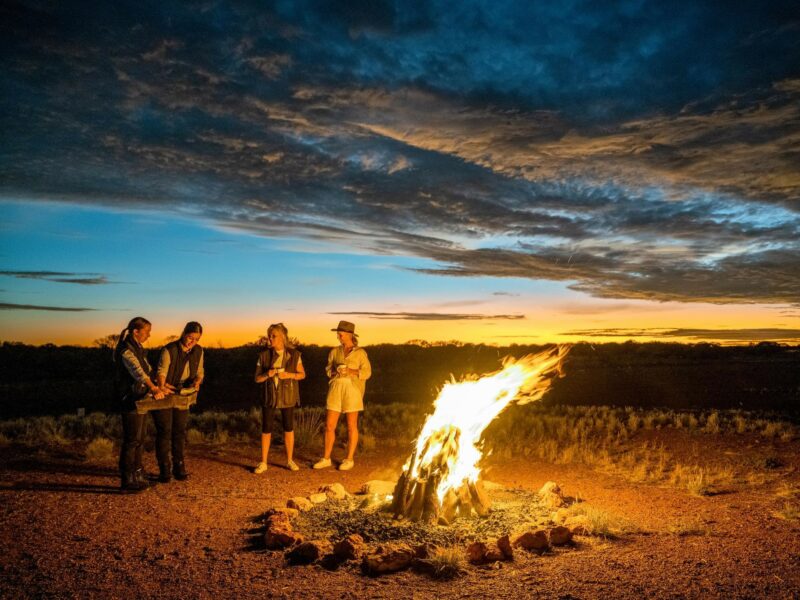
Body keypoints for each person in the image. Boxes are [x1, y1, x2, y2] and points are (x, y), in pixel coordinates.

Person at [113, 316, 166, 492]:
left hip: (140, 398)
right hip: (130, 399)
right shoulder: (125, 350)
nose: (148, 335)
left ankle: (138, 474)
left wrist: (161, 386)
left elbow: (148, 370)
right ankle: (127, 479)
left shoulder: (138, 348)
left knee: (140, 439)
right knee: (132, 440)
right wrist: (154, 389)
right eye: (146, 332)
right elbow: (138, 372)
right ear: (136, 331)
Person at [314, 320, 371, 471]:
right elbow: (328, 371)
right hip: (335, 388)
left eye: (340, 333)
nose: (338, 336)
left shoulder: (360, 353)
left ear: (349, 334)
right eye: (338, 333)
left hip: (352, 389)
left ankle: (349, 459)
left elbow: (367, 372)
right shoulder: (334, 352)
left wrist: (351, 371)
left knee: (352, 426)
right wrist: (335, 371)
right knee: (329, 425)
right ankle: (326, 458)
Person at [152, 321, 204, 483]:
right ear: (183, 334)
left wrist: (197, 382)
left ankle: (179, 466)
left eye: (196, 339)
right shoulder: (169, 350)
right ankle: (164, 469)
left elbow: (201, 371)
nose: (192, 342)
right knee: (165, 431)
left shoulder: (198, 351)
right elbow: (161, 372)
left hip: (183, 393)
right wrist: (161, 386)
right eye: (190, 337)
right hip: (167, 391)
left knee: (179, 431)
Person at [253, 323, 305, 473]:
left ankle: (289, 460)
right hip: (269, 396)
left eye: (273, 336)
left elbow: (302, 375)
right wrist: (267, 374)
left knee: (288, 428)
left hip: (287, 395)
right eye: (269, 335)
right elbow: (257, 379)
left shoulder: (294, 355)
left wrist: (289, 375)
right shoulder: (263, 356)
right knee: (266, 428)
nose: (270, 338)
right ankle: (263, 462)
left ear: (283, 337)